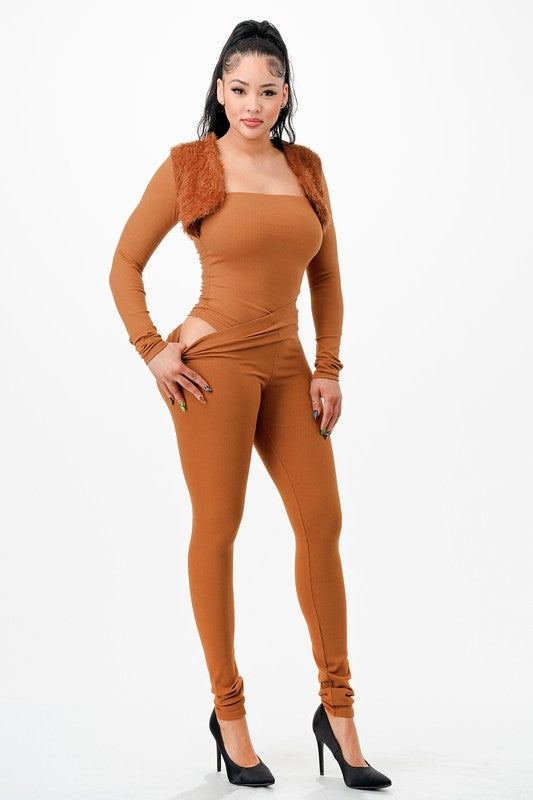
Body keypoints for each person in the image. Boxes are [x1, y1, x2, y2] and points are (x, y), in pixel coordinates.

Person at [109, 19, 391, 791]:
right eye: (238, 89)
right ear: (219, 90)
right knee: (219, 527)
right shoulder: (192, 164)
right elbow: (125, 263)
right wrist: (151, 349)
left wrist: (327, 367)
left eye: (267, 91)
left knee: (321, 522)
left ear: (285, 94)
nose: (252, 105)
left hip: (288, 365)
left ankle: (338, 714)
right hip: (212, 368)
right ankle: (228, 715)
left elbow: (325, 277)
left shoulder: (305, 168)